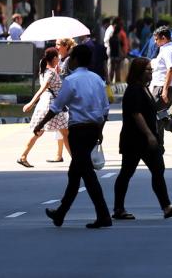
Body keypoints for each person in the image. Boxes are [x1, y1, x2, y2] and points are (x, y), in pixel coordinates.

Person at [34, 44, 112, 228]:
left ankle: (103, 215)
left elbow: (56, 107)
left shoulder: (71, 80)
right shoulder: (97, 80)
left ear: (75, 59)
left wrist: (40, 123)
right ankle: (60, 213)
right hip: (93, 129)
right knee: (75, 173)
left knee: (86, 173)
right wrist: (100, 131)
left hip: (78, 131)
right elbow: (105, 110)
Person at [113, 58, 172, 221]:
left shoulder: (144, 89)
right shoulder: (134, 90)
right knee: (127, 173)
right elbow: (136, 114)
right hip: (135, 140)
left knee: (157, 170)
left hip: (145, 140)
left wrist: (164, 120)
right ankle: (118, 209)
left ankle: (167, 207)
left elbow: (151, 111)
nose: (151, 73)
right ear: (139, 72)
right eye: (148, 70)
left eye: (151, 70)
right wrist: (149, 135)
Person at [19, 48, 70, 167]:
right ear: (54, 59)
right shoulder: (51, 73)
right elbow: (43, 89)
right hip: (53, 106)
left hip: (45, 104)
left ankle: (23, 156)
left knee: (39, 131)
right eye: (57, 57)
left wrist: (56, 71)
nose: (59, 59)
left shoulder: (44, 71)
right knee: (65, 133)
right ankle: (76, 161)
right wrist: (31, 103)